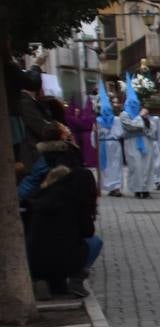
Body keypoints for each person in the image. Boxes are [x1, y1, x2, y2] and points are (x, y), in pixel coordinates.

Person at [24, 124, 100, 298]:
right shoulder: (76, 201)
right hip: (65, 257)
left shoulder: (39, 200)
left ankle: (42, 281)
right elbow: (88, 232)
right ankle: (75, 278)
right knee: (93, 242)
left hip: (36, 257)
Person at [119, 87, 155, 199]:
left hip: (145, 141)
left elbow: (152, 127)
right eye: (132, 103)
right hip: (132, 142)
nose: (135, 105)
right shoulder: (124, 114)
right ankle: (137, 189)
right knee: (136, 166)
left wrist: (146, 120)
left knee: (147, 165)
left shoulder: (143, 114)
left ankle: (146, 189)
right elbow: (130, 126)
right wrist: (140, 117)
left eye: (136, 103)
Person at [96, 86, 123, 197]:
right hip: (103, 144)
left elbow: (120, 133)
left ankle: (116, 187)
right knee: (105, 167)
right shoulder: (98, 121)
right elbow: (95, 135)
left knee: (116, 165)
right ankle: (108, 186)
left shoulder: (116, 120)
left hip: (114, 145)